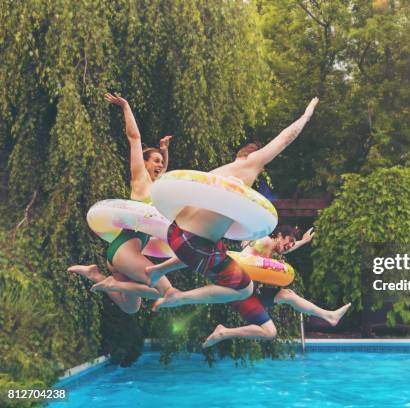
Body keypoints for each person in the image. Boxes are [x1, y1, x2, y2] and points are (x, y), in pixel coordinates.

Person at [146, 97, 320, 310]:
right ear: (254, 155)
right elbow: (284, 139)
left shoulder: (218, 174)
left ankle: (158, 270)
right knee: (243, 289)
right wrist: (306, 115)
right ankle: (179, 297)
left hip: (176, 234)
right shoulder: (251, 165)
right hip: (194, 243)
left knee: (219, 248)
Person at [67, 93, 174, 314]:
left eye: (161, 163)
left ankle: (96, 274)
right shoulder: (140, 179)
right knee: (167, 291)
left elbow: (164, 172)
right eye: (155, 161)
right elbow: (134, 138)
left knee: (131, 307)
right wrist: (126, 106)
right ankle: (113, 283)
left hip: (125, 253)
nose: (160, 165)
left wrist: (164, 151)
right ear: (144, 163)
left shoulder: (158, 189)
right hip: (125, 252)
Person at [203, 225, 351, 348]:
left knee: (287, 295)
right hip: (241, 293)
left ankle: (329, 316)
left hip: (249, 292)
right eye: (290, 240)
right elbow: (248, 263)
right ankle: (224, 332)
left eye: (293, 243)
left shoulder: (269, 245)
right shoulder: (265, 242)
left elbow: (285, 249)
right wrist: (272, 265)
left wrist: (303, 241)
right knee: (270, 332)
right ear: (279, 235)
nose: (291, 245)